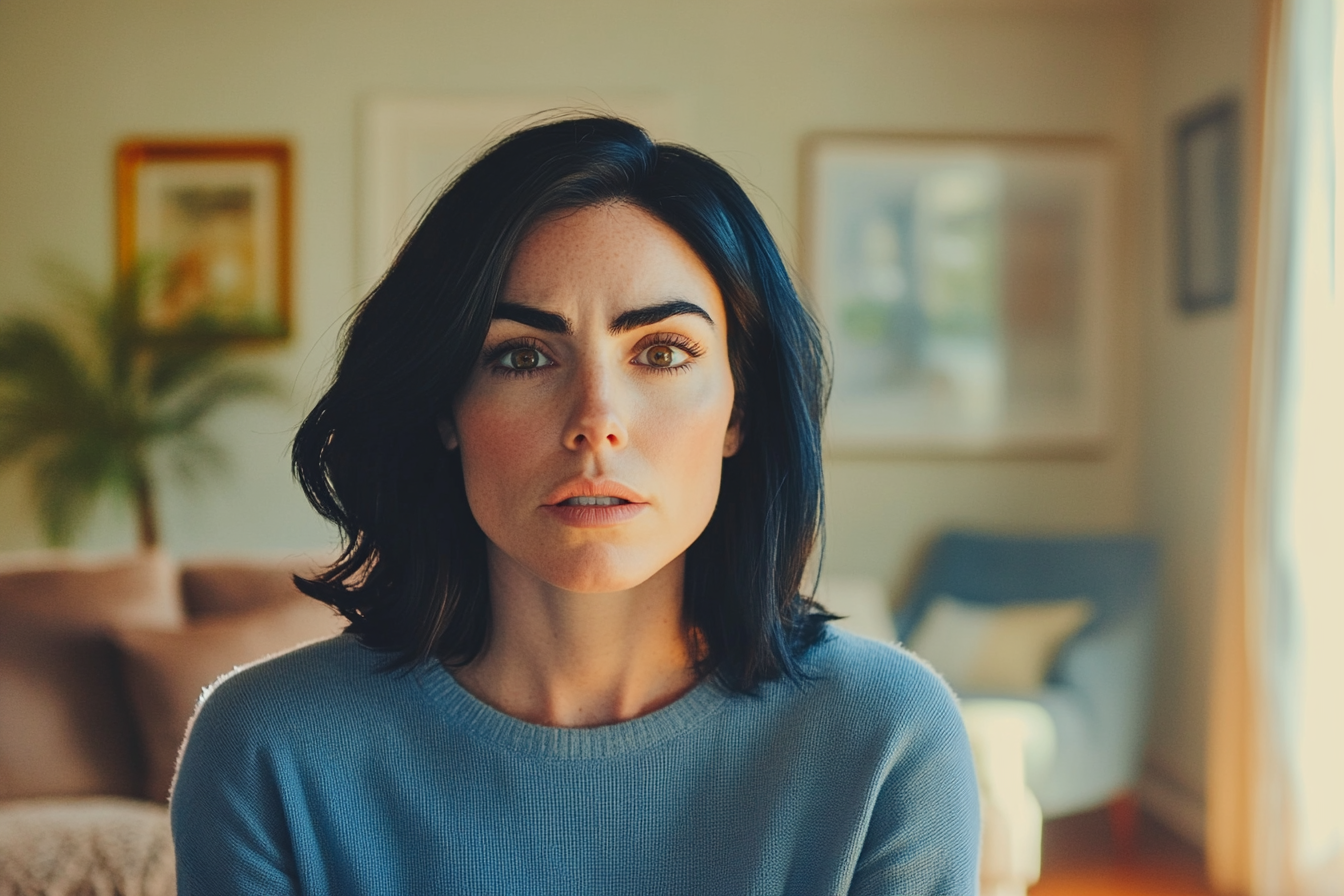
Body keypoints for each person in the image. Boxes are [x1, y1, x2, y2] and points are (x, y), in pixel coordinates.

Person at [170, 115, 979, 895]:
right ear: (445, 409)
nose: (596, 421)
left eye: (662, 352)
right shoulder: (264, 750)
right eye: (522, 355)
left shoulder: (887, 741)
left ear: (739, 410)